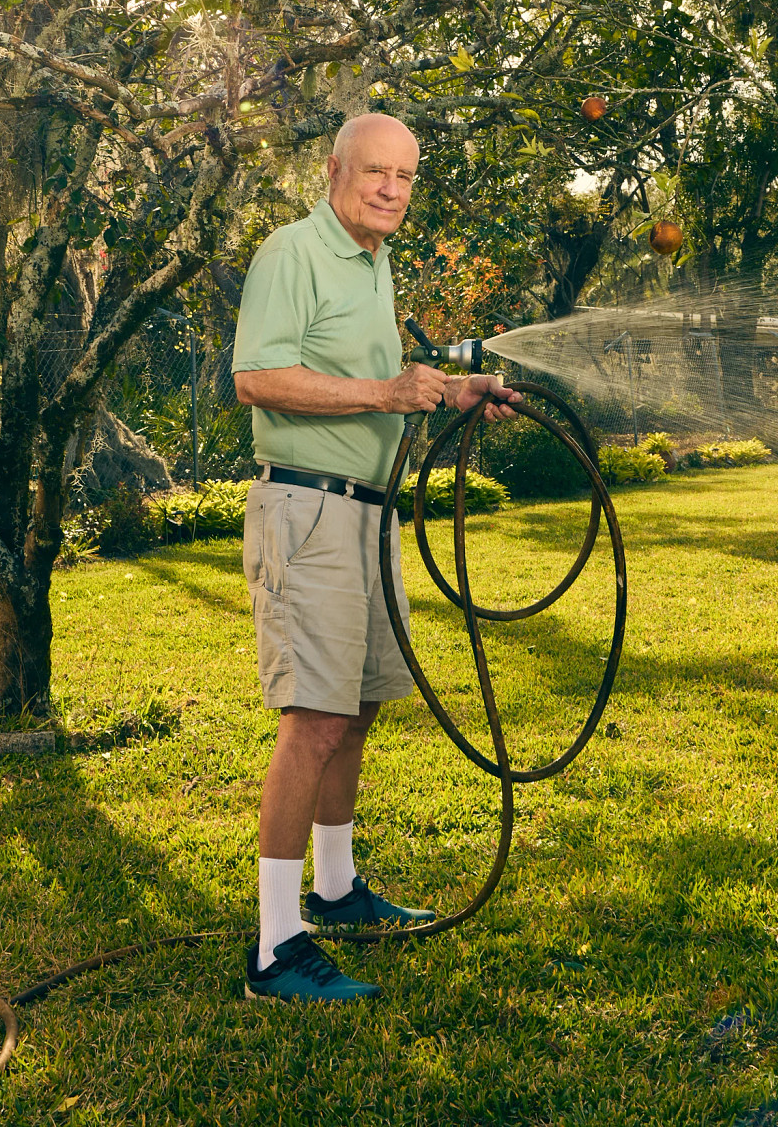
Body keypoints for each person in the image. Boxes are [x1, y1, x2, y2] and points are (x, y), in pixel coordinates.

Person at [231, 113, 520, 1002]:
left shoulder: (372, 261)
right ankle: (275, 949)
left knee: (355, 710)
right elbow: (257, 376)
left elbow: (378, 383)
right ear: (334, 170)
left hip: (367, 516)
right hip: (308, 512)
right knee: (312, 720)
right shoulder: (293, 253)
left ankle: (334, 890)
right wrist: (386, 390)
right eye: (376, 173)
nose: (391, 189)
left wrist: (446, 390)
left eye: (405, 175)